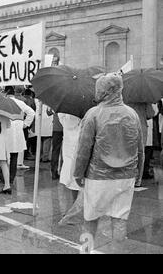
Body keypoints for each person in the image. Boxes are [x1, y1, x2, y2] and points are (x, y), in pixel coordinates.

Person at [73, 74, 143, 243]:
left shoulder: (93, 114)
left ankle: (86, 251)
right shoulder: (132, 114)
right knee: (119, 219)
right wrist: (138, 175)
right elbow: (139, 149)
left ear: (103, 91)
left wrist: (78, 173)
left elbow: (84, 149)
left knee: (90, 219)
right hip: (126, 177)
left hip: (98, 177)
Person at [0, 86, 35, 184]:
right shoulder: (20, 103)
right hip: (17, 132)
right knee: (14, 156)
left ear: (6, 92)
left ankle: (3, 178)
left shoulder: (3, 103)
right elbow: (32, 113)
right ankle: (11, 178)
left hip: (5, 131)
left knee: (3, 157)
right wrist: (25, 124)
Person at [127, 101, 155, 187]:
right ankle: (137, 180)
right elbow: (150, 114)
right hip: (141, 127)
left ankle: (128, 177)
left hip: (128, 126)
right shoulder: (146, 100)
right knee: (140, 154)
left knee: (128, 152)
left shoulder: (125, 96)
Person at [58, 113, 82, 201]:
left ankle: (74, 204)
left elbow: (63, 121)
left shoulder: (65, 113)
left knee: (71, 173)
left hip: (70, 144)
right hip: (81, 142)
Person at [49, 110, 64, 180]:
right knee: (66, 151)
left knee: (55, 150)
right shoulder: (70, 102)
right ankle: (63, 172)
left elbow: (48, 112)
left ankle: (54, 172)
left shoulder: (56, 101)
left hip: (56, 128)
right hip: (66, 128)